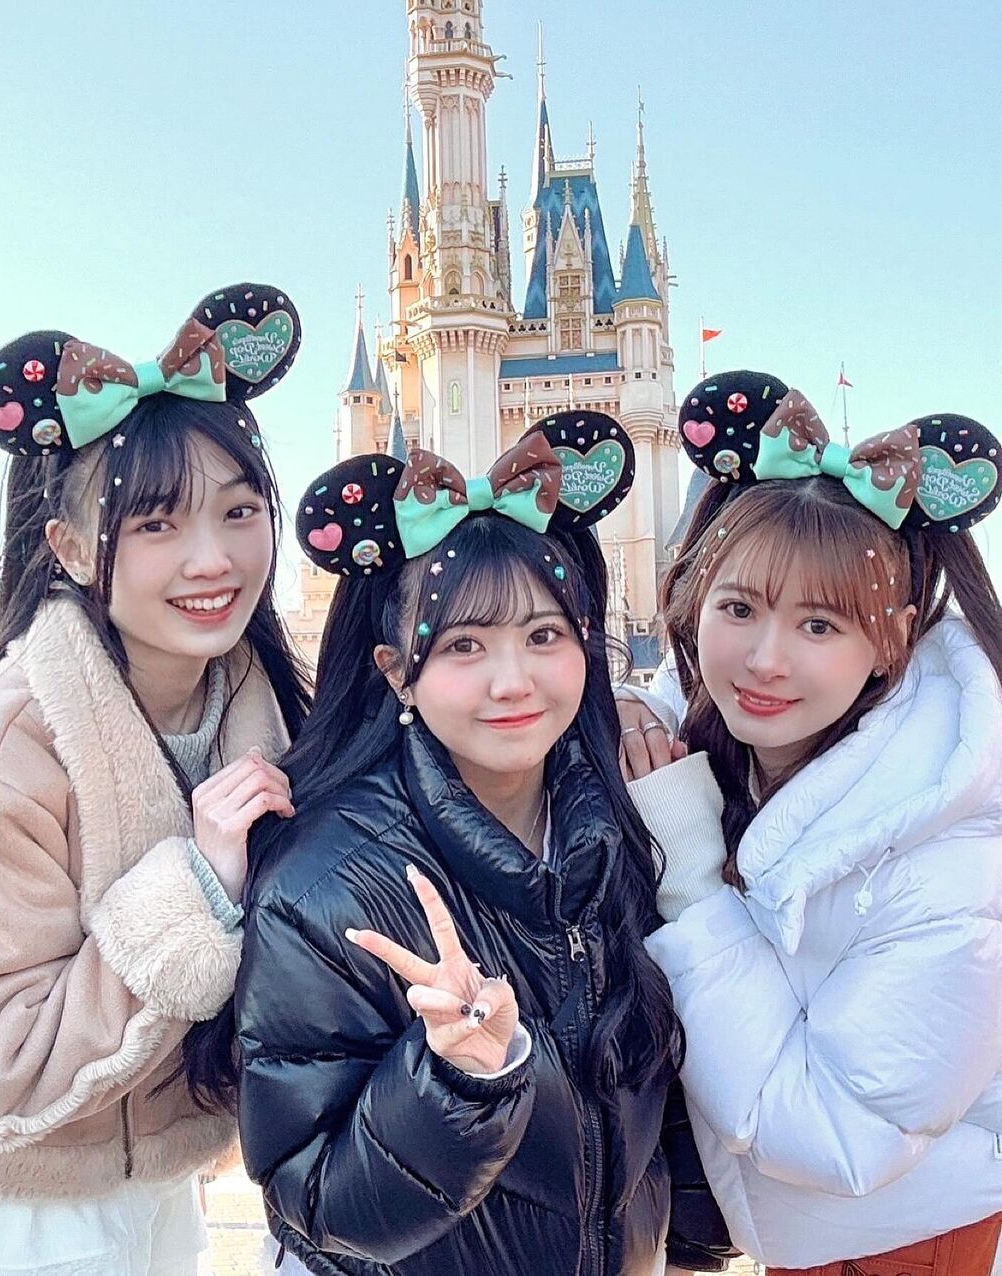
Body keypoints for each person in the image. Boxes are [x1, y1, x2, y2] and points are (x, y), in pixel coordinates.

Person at [229, 413, 696, 1276]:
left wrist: (690, 1229)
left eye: (544, 636)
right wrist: (457, 1080)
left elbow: (646, 1086)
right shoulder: (327, 885)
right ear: (396, 672)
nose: (512, 681)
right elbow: (316, 1204)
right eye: (464, 645)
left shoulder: (614, 832)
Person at [619, 369, 1002, 1276]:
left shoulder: (951, 857)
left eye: (821, 626)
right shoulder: (750, 733)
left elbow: (833, 1133)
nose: (765, 660)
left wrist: (693, 881)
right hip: (793, 1227)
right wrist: (629, 708)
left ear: (891, 640)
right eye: (739, 608)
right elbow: (675, 688)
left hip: (895, 1238)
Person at [0, 282, 309, 1276]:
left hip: (163, 1178)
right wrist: (196, 885)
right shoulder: (13, 743)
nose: (213, 560)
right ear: (70, 548)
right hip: (30, 1206)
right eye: (157, 523)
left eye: (238, 510)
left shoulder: (266, 701)